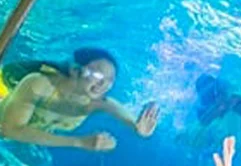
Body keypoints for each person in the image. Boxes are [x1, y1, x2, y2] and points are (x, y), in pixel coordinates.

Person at [0, 48, 159, 152]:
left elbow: (126, 117)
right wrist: (79, 142)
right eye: (98, 76)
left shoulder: (97, 102)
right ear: (75, 70)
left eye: (109, 81)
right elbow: (11, 129)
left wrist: (138, 129)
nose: (102, 85)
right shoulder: (40, 84)